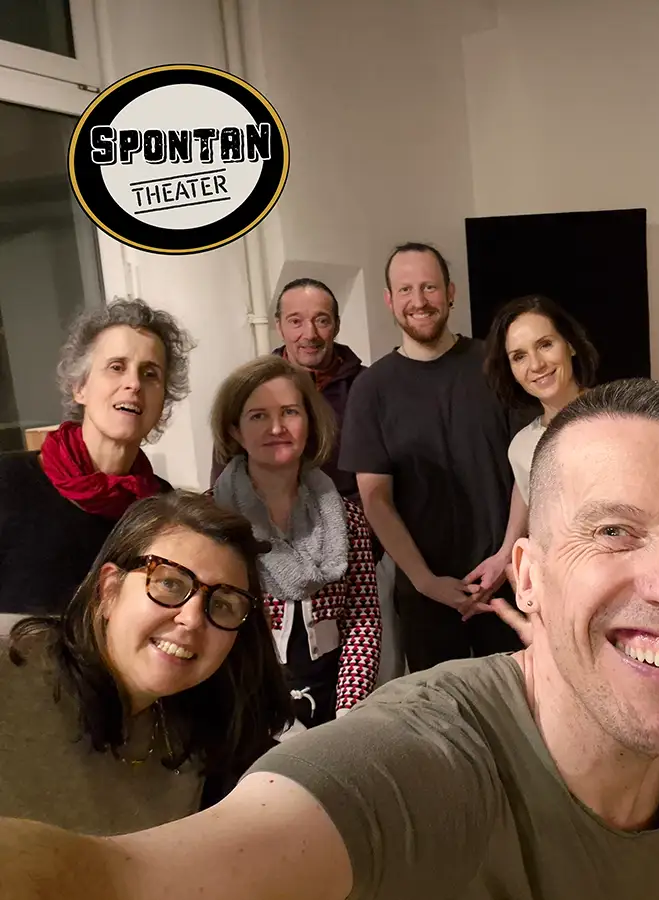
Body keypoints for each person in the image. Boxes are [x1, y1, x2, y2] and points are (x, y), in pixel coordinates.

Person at [0, 378, 659, 900]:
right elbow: (136, 879)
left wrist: (346, 689)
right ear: (528, 577)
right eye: (614, 532)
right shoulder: (436, 759)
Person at [0, 491, 292, 835]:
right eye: (170, 583)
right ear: (109, 590)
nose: (192, 619)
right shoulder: (11, 677)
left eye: (223, 604)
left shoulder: (199, 739)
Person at [339, 243, 527, 673]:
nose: (419, 301)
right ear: (389, 300)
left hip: (510, 584)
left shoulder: (496, 366)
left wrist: (505, 557)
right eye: (406, 289)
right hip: (426, 598)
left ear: (450, 292)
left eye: (429, 287)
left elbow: (528, 468)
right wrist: (425, 581)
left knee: (522, 705)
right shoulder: (371, 389)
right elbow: (375, 498)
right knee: (439, 713)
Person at [211, 355, 381, 729]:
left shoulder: (349, 519)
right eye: (258, 415)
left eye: (290, 412)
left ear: (310, 422)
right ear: (235, 431)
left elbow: (362, 622)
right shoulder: (210, 522)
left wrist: (348, 714)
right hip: (241, 713)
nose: (277, 428)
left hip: (332, 711)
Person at [0, 299, 193, 625]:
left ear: (163, 402)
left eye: (150, 374)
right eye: (116, 367)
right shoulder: (8, 481)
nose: (134, 384)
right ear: (80, 387)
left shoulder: (162, 508)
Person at [209, 278, 366, 500]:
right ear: (279, 325)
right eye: (295, 321)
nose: (310, 334)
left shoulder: (368, 387)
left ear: (337, 325)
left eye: (322, 321)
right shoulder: (249, 389)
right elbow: (223, 477)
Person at [483, 292, 600, 525]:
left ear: (570, 345)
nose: (536, 365)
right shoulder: (522, 448)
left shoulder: (622, 415)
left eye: (545, 345)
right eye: (519, 357)